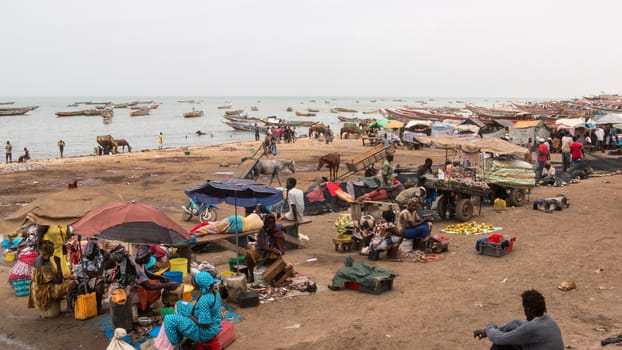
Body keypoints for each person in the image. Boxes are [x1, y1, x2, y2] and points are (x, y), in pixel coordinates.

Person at [473, 289, 564, 349]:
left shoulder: (531, 328)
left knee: (501, 345)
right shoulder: (550, 321)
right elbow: (516, 324)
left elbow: (498, 338)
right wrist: (486, 332)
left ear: (528, 309)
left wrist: (489, 328)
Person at [155, 271, 222, 349]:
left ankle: (177, 343)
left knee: (168, 319)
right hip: (214, 325)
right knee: (180, 303)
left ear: (200, 285)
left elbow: (205, 324)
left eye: (195, 283)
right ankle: (180, 328)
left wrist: (190, 316)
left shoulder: (204, 301)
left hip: (204, 333)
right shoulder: (215, 293)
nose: (194, 285)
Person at [115, 245, 179, 314]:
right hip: (130, 292)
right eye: (148, 258)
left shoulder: (136, 259)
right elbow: (148, 287)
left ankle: (145, 306)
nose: (150, 259)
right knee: (155, 289)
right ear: (143, 258)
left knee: (157, 281)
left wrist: (160, 277)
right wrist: (168, 285)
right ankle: (143, 308)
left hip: (138, 286)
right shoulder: (134, 268)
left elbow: (146, 272)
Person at [28, 240, 77, 314]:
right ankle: (69, 307)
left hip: (46, 286)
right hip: (43, 291)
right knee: (72, 284)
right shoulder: (41, 262)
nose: (53, 249)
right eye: (52, 248)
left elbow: (54, 276)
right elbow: (59, 280)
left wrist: (70, 276)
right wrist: (58, 264)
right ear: (48, 250)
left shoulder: (45, 258)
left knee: (72, 277)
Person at [245, 213, 286, 282]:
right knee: (248, 255)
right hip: (261, 252)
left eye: (271, 223)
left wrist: (277, 250)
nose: (270, 225)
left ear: (274, 223)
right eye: (268, 223)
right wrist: (272, 250)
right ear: (265, 223)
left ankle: (275, 276)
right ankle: (252, 276)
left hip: (271, 254)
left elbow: (280, 244)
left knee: (276, 256)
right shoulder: (262, 231)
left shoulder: (277, 231)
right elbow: (262, 245)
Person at [72, 240, 105, 314]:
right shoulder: (85, 261)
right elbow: (96, 273)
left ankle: (99, 305)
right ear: (91, 250)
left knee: (100, 283)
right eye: (96, 248)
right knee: (99, 283)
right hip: (84, 280)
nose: (98, 249)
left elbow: (99, 271)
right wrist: (103, 263)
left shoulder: (97, 257)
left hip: (92, 278)